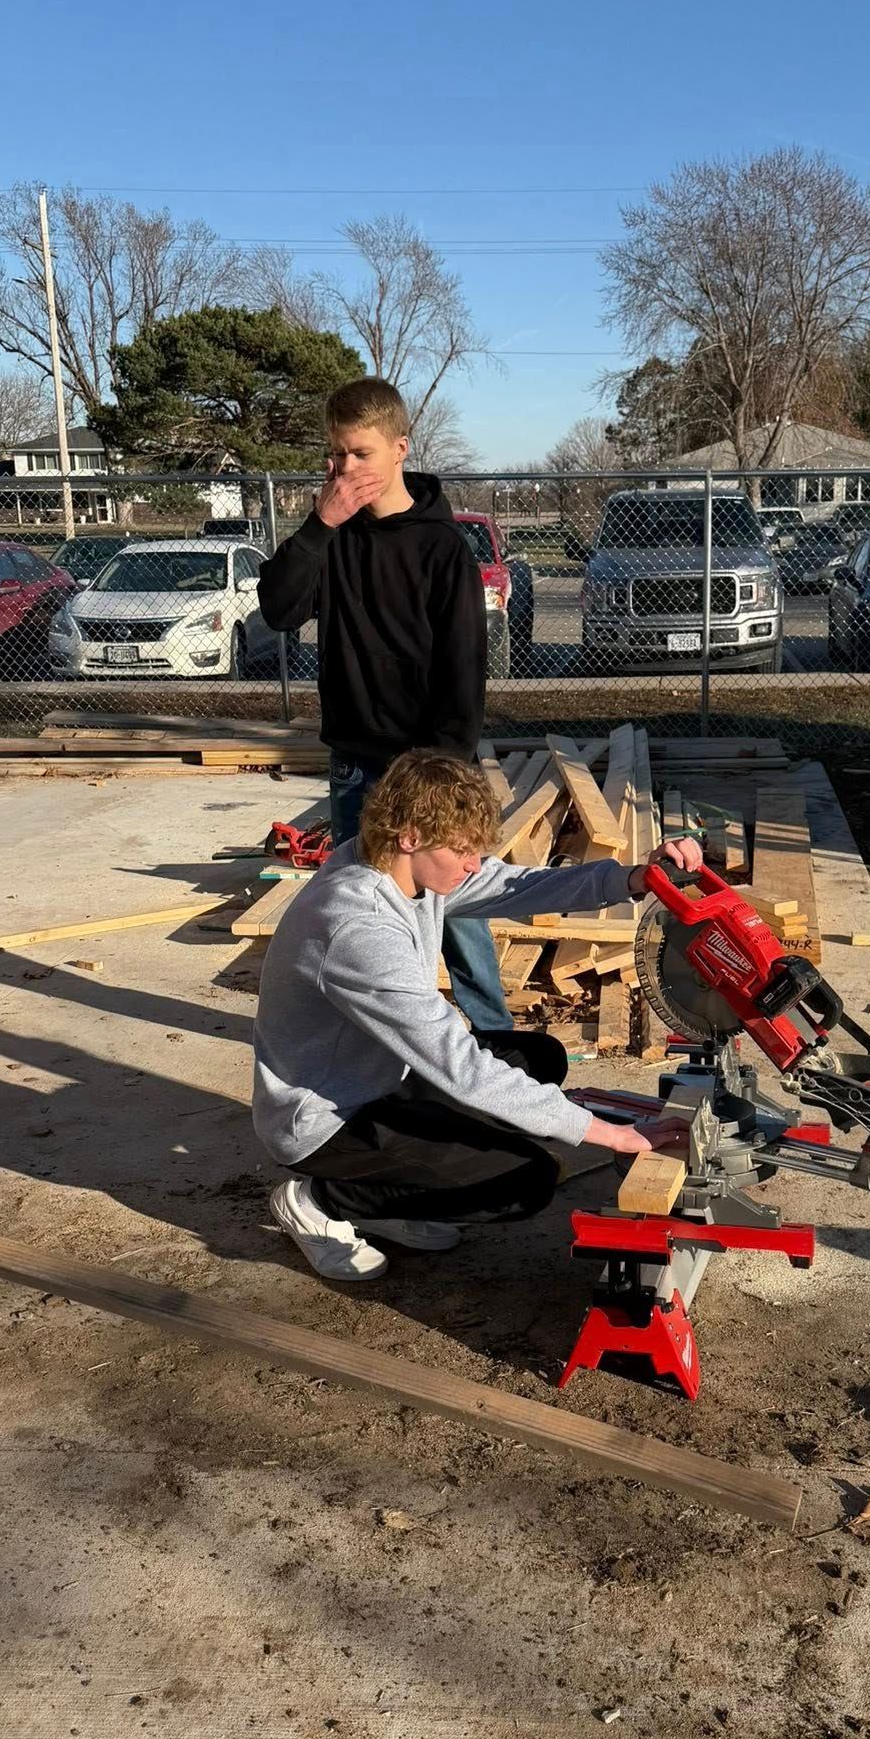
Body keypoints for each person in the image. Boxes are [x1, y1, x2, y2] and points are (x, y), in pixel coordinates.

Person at [253, 748, 694, 1283]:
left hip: (382, 1078)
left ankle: (395, 1201)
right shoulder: (357, 928)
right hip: (327, 1121)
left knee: (540, 1057)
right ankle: (323, 1198)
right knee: (522, 1183)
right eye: (462, 851)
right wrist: (608, 1133)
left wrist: (633, 879)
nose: (473, 866)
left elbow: (518, 885)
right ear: (410, 837)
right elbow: (459, 1065)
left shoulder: (395, 866)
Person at [257, 375, 510, 1033]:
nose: (345, 470)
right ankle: (367, 1036)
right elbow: (280, 610)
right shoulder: (331, 536)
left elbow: (464, 666)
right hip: (356, 758)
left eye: (360, 454)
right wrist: (320, 524)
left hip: (428, 759)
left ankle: (493, 1041)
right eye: (334, 455)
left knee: (455, 908)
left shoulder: (440, 547)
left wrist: (446, 768)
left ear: (400, 448)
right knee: (358, 906)